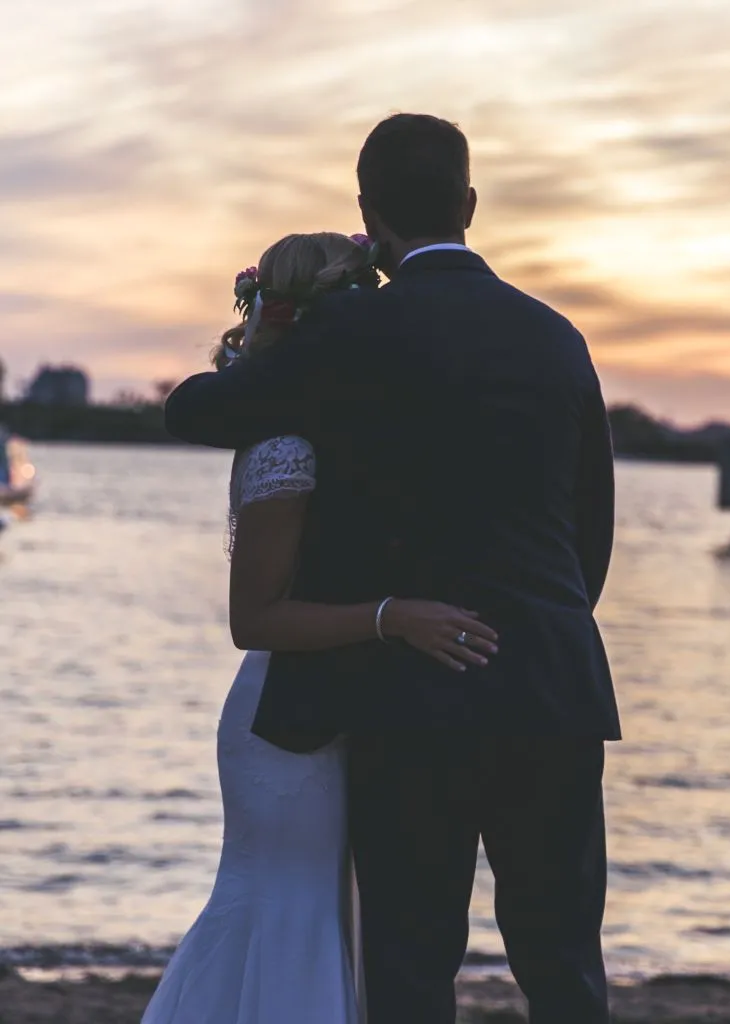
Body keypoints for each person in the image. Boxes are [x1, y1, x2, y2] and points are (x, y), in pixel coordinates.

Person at [165, 113, 621, 1024]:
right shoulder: (557, 336)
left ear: (368, 216)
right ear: (470, 204)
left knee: (412, 963)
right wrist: (535, 628)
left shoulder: (357, 334)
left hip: (416, 695)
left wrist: (262, 342)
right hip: (553, 686)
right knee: (564, 958)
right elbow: (592, 532)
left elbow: (197, 412)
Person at [142, 231, 498, 1024]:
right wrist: (392, 617)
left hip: (336, 707)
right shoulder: (284, 445)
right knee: (288, 914)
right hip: (284, 723)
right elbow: (254, 618)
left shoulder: (336, 429)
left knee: (332, 917)